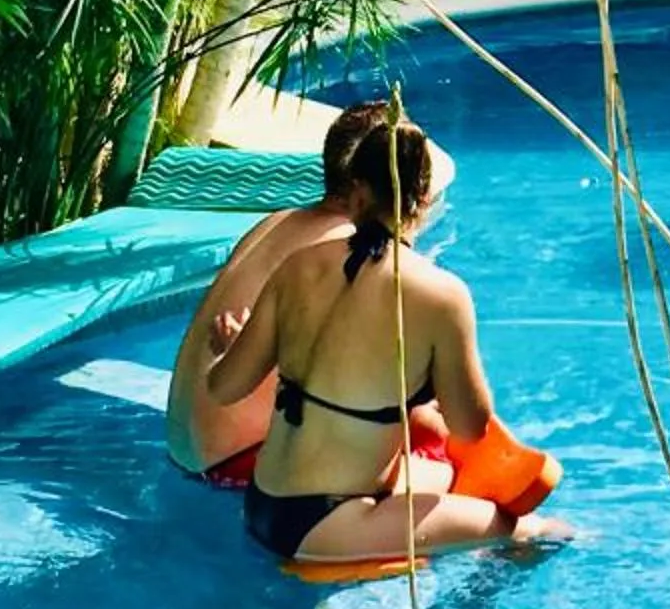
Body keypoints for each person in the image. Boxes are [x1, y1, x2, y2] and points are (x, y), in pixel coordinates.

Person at [207, 100, 551, 567]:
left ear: (357, 192)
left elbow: (224, 387)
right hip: (326, 524)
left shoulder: (298, 267)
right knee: (531, 531)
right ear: (423, 199)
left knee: (446, 478)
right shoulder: (441, 294)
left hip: (263, 503)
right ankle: (472, 604)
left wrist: (227, 348)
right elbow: (470, 428)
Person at [163, 100, 454, 483]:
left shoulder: (277, 221)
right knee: (439, 449)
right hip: (243, 461)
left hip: (183, 447)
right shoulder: (351, 249)